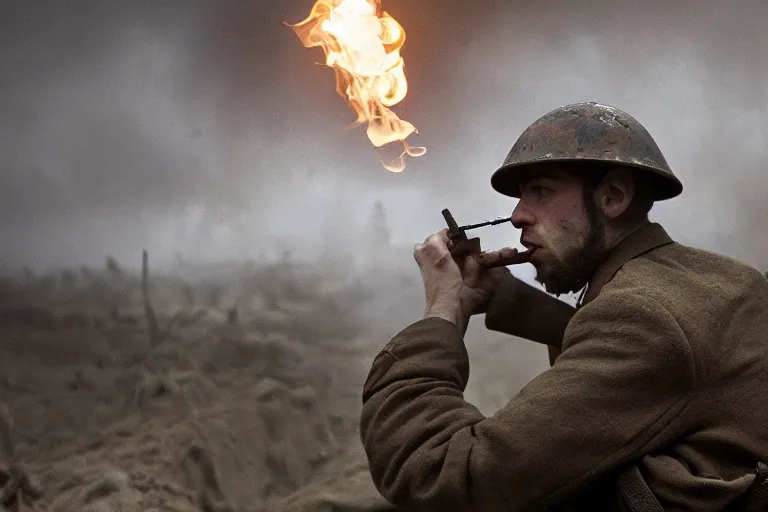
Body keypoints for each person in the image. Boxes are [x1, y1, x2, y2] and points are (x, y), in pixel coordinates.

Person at [359, 102, 768, 511]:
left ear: (613, 197)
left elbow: (450, 478)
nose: (517, 216)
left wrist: (443, 312)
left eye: (541, 191)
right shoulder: (721, 278)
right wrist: (502, 297)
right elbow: (643, 352)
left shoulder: (642, 318)